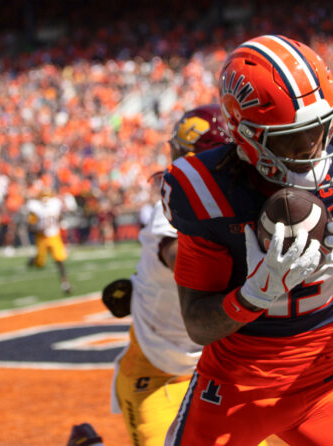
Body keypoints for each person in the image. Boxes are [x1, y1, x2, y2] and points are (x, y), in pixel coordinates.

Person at [162, 35, 333, 445]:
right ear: (243, 135)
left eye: (320, 127)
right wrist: (252, 295)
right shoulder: (207, 191)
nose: (312, 147)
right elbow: (198, 323)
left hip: (319, 382)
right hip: (234, 392)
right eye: (290, 136)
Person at [103, 105, 247, 446]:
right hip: (157, 374)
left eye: (182, 156)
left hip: (215, 371)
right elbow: (176, 253)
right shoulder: (174, 210)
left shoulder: (242, 208)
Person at [25, 187, 72, 294]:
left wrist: (58, 222)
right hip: (41, 237)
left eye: (47, 197)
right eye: (43, 197)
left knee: (60, 260)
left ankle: (65, 284)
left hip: (54, 235)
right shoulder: (35, 208)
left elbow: (59, 217)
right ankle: (33, 260)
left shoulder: (55, 204)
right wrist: (36, 227)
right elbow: (30, 225)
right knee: (40, 263)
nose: (45, 199)